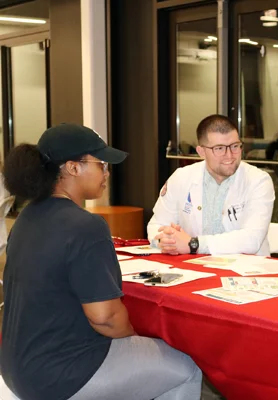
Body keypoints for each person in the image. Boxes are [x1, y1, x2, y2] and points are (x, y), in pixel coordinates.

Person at [0, 124, 202, 400]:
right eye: (101, 164)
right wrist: (133, 339)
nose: (107, 172)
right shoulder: (86, 226)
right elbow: (105, 318)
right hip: (62, 375)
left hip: (16, 369)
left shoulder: (25, 219)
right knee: (187, 367)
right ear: (72, 168)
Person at [147, 114, 275, 256]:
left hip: (244, 271)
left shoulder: (259, 181)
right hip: (193, 268)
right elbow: (156, 225)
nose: (229, 155)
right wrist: (166, 241)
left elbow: (251, 240)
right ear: (201, 152)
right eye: (219, 148)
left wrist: (193, 244)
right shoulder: (181, 177)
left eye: (235, 146)